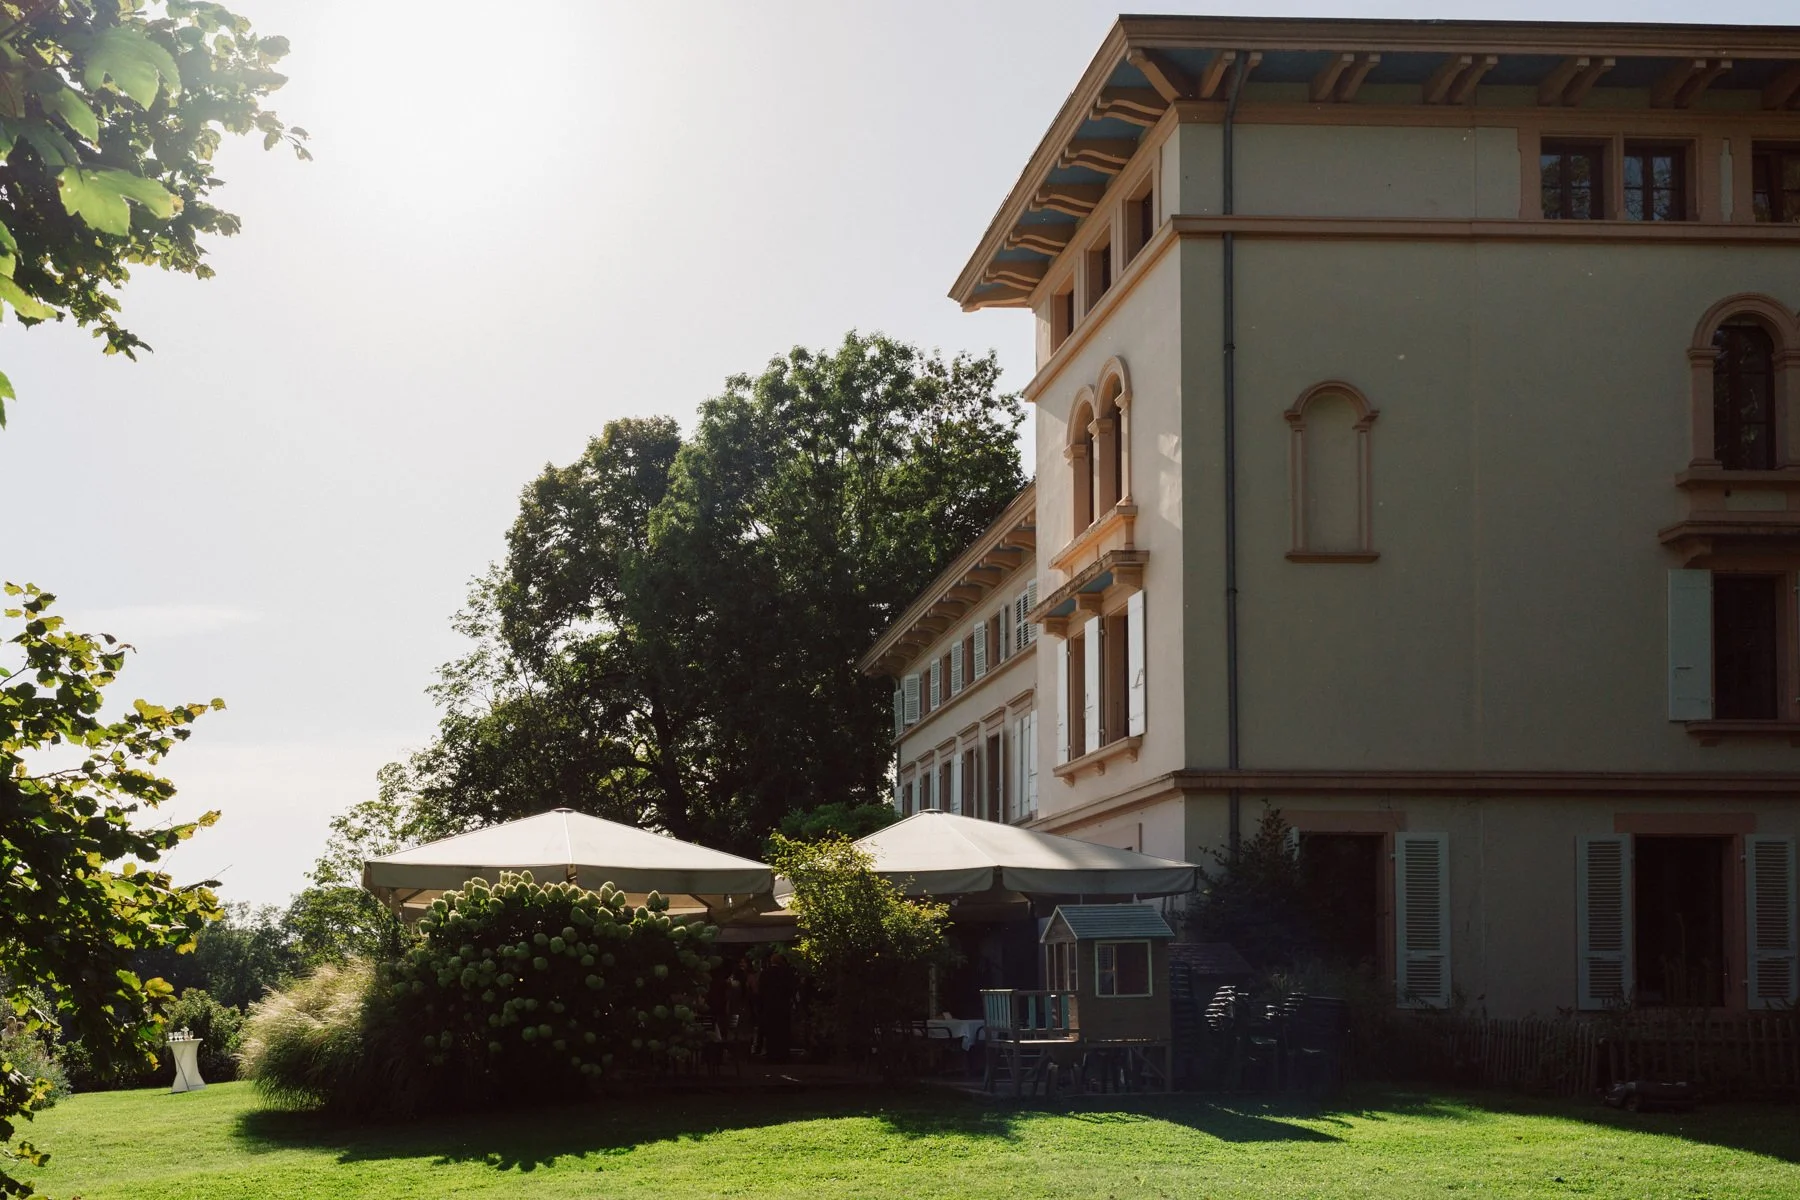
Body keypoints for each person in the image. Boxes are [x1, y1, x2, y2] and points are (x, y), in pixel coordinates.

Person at [758, 951, 797, 1063]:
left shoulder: (765, 973)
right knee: (782, 1031)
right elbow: (791, 989)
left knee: (771, 1032)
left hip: (769, 1007)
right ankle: (783, 1054)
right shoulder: (786, 973)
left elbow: (761, 991)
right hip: (783, 1006)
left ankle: (772, 1054)